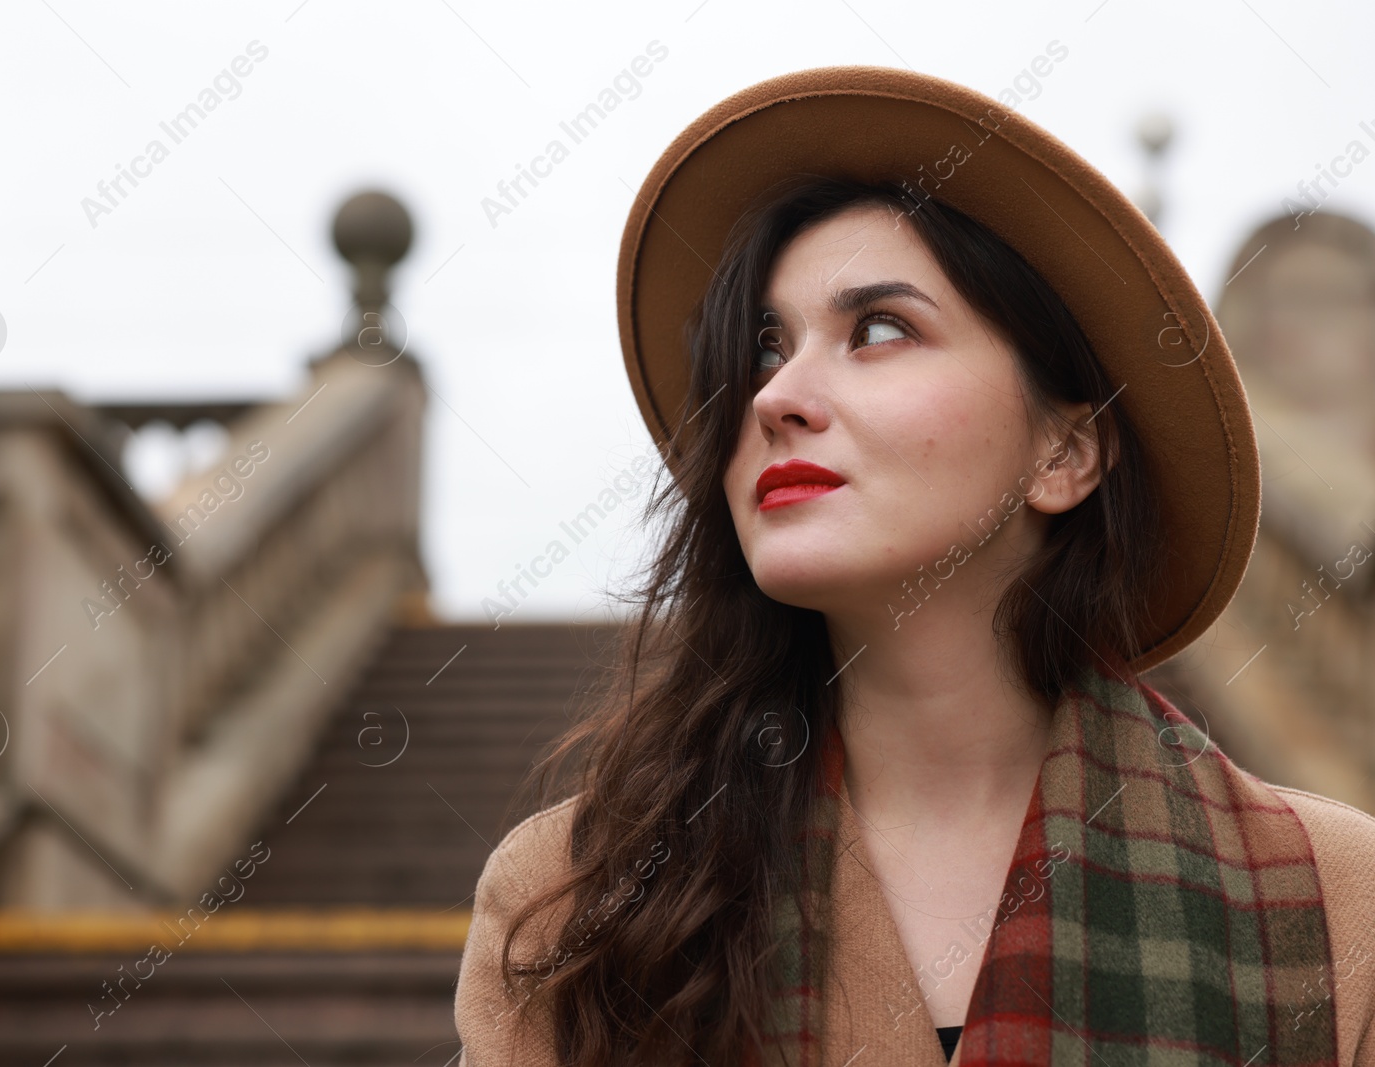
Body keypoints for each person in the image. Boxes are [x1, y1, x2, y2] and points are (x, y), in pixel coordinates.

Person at [453, 67, 1375, 1067]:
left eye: (878, 328)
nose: (776, 397)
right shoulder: (574, 898)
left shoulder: (1330, 903)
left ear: (1064, 453)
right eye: (765, 346)